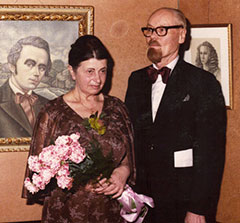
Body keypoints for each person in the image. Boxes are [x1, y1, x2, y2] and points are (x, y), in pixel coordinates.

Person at [125, 7, 226, 223]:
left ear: (181, 35)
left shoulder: (204, 84)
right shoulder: (136, 81)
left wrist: (198, 209)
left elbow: (211, 154)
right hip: (141, 201)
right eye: (149, 30)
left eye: (161, 30)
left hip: (183, 203)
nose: (152, 36)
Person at [22, 35, 136, 223]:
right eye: (90, 71)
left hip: (112, 212)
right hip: (67, 213)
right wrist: (77, 182)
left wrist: (122, 173)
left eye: (103, 71)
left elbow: (127, 159)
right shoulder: (53, 113)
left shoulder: (117, 108)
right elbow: (37, 175)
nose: (97, 79)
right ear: (72, 72)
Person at [0, 36, 52, 137]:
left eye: (41, 68)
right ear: (12, 66)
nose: (36, 73)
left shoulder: (49, 106)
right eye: (30, 64)